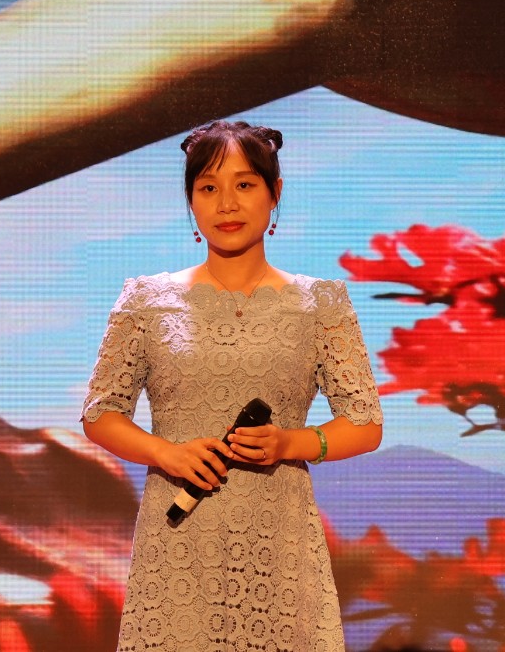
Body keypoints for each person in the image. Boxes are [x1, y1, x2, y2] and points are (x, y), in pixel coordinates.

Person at [81, 119, 383, 651]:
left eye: (244, 184)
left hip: (280, 544)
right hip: (179, 543)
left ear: (275, 193)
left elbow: (365, 423)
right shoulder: (146, 300)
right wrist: (166, 453)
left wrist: (290, 442)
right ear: (191, 201)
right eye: (208, 188)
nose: (226, 204)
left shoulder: (321, 303)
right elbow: (100, 413)